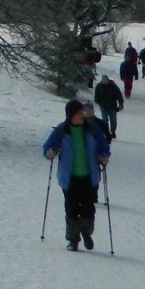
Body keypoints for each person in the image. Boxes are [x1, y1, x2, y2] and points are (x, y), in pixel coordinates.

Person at [43, 99, 111, 251]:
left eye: (83, 113)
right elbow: (47, 148)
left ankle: (85, 231)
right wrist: (50, 152)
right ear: (70, 115)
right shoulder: (61, 131)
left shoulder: (91, 129)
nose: (82, 116)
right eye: (79, 113)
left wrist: (104, 156)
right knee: (71, 208)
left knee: (88, 208)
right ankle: (73, 240)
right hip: (69, 177)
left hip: (89, 175)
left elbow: (103, 145)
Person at [94, 73, 124, 139]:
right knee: (105, 120)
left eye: (106, 82)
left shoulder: (114, 86)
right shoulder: (98, 86)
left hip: (113, 106)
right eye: (104, 82)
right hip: (103, 106)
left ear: (108, 80)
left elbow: (119, 95)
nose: (105, 83)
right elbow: (96, 97)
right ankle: (106, 132)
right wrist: (100, 103)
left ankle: (113, 131)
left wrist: (121, 104)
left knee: (113, 121)